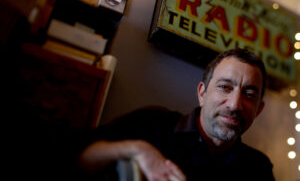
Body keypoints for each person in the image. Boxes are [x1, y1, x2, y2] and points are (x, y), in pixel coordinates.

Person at [78, 48, 275, 181]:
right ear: (202, 94)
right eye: (224, 87)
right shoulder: (152, 123)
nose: (234, 104)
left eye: (249, 94)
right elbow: (77, 159)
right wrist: (135, 148)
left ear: (258, 110)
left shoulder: (258, 168)